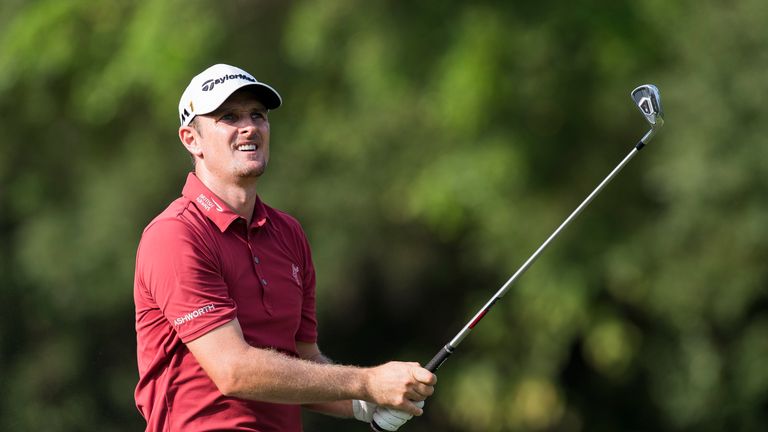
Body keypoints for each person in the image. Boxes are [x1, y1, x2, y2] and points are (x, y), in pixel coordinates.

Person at [133, 63, 437, 432]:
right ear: (191, 139)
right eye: (229, 116)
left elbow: (300, 363)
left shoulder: (288, 234)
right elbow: (233, 370)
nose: (249, 126)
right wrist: (368, 382)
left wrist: (368, 404)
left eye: (257, 115)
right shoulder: (175, 235)